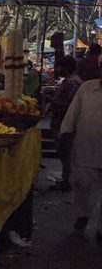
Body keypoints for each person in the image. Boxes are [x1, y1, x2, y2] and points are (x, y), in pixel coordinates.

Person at [59, 75, 102, 242]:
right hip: (86, 147)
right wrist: (66, 132)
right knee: (83, 185)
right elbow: (73, 113)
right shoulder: (86, 88)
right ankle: (83, 215)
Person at [50, 56, 82, 192]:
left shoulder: (71, 82)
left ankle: (67, 181)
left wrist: (53, 101)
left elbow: (72, 105)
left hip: (65, 122)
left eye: (60, 67)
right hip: (65, 122)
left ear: (66, 68)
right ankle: (66, 179)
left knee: (65, 152)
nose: (57, 70)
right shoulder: (75, 80)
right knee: (65, 152)